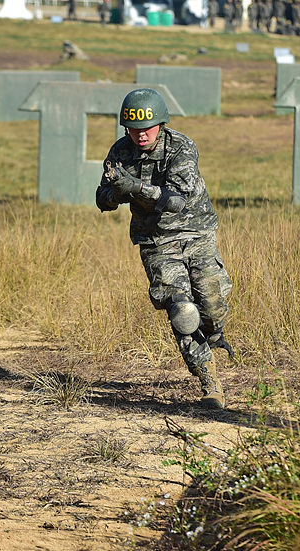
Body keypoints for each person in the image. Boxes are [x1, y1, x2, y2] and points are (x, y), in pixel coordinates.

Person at [96, 89, 233, 409]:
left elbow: (175, 201)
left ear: (160, 124)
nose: (140, 134)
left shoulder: (181, 148)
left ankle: (214, 334)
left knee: (210, 306)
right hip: (156, 241)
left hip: (195, 232)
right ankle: (209, 382)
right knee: (182, 310)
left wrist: (136, 187)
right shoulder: (119, 153)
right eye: (133, 129)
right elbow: (102, 200)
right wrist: (116, 192)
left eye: (147, 128)